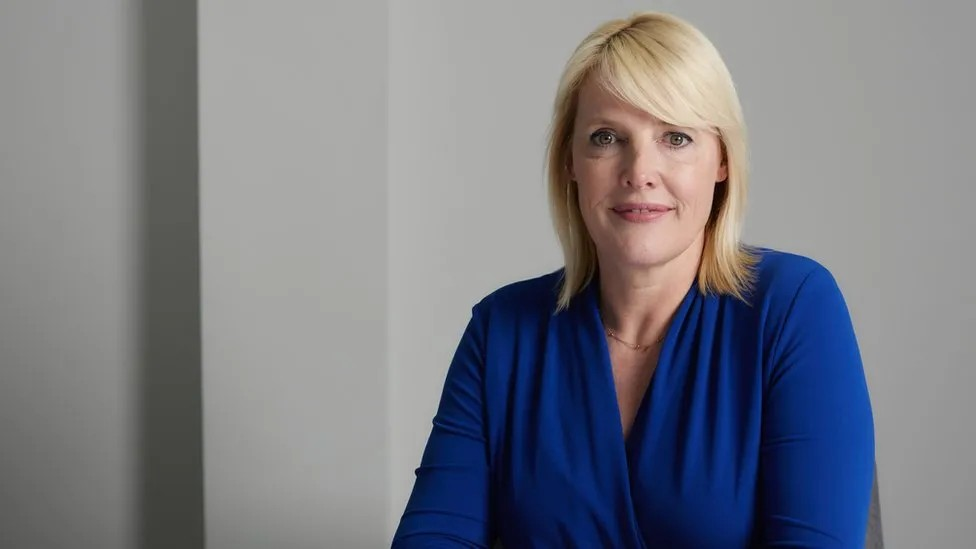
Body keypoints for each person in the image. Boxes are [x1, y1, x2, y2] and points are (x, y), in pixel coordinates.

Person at [392, 10, 875, 548]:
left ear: (722, 161)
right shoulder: (501, 330)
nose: (639, 170)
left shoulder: (793, 307)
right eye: (606, 136)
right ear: (570, 163)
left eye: (675, 137)